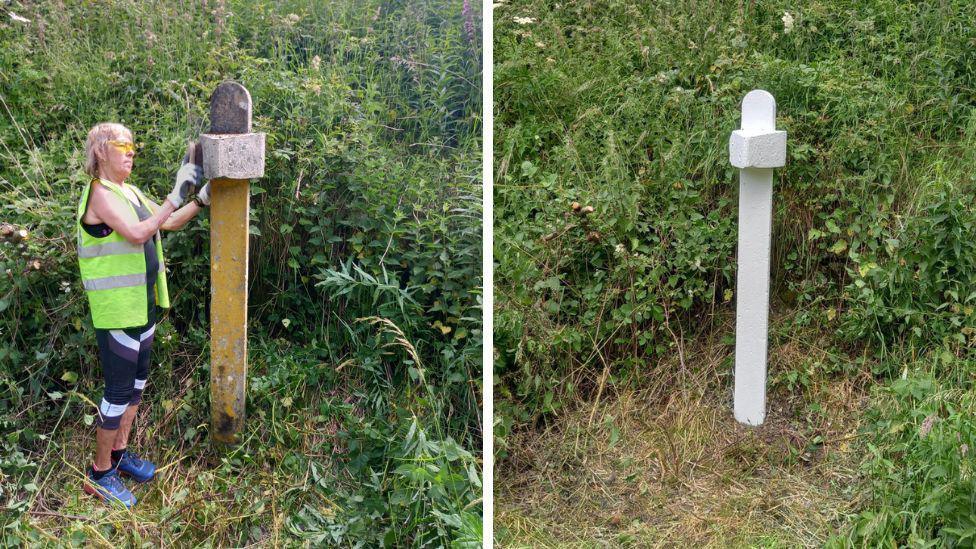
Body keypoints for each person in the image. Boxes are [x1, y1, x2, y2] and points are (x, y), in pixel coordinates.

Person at [77, 122, 211, 507]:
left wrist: (199, 199)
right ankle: (100, 473)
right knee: (117, 394)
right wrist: (174, 193)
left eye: (134, 144)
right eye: (123, 144)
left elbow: (165, 222)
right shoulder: (99, 195)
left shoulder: (129, 191)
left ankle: (118, 455)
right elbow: (138, 233)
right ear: (101, 151)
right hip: (117, 312)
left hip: (143, 305)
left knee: (136, 389)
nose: (131, 151)